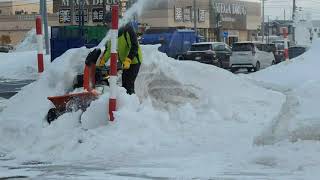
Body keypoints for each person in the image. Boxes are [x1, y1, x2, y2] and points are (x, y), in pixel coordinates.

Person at [98, 22, 143, 95]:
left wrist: (129, 59)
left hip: (134, 61)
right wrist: (103, 60)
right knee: (124, 85)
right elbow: (110, 49)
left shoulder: (128, 29)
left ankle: (132, 103)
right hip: (125, 63)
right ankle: (126, 102)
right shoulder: (113, 34)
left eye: (108, 23)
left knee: (129, 84)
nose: (107, 25)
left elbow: (134, 46)